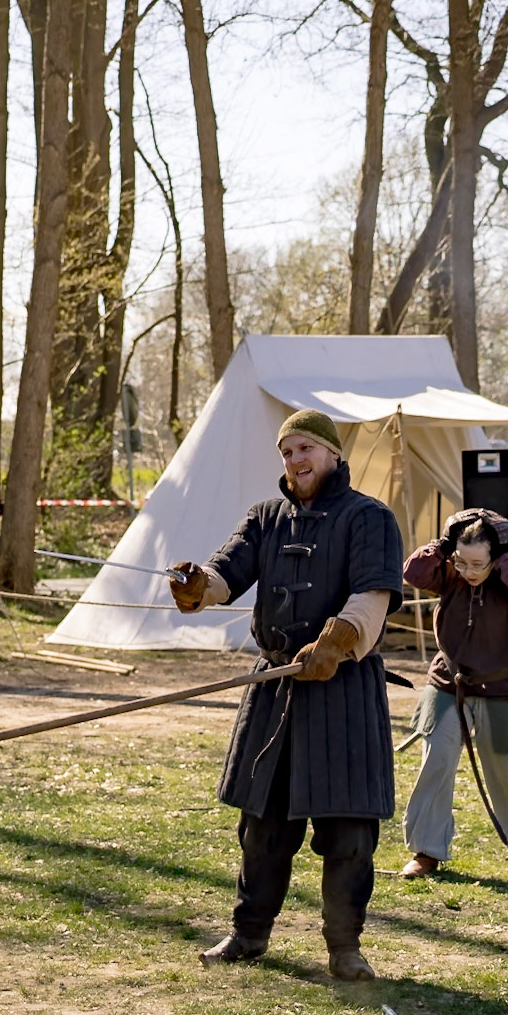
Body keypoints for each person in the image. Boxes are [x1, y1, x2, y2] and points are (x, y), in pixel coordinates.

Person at [170, 410, 404, 980]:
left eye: (305, 449)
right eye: (287, 452)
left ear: (331, 454)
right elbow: (227, 575)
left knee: (348, 832)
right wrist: (198, 585)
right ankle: (249, 935)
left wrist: (336, 641)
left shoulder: (369, 518)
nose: (296, 461)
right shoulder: (265, 518)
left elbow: (374, 596)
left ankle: (345, 949)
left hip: (342, 689)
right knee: (262, 827)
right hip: (275, 688)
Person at [401, 508, 508, 877]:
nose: (468, 572)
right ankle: (426, 850)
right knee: (435, 761)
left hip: (504, 685)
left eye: (477, 564)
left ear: (497, 556)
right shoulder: (449, 574)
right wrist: (442, 548)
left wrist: (504, 561)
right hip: (449, 681)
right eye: (462, 562)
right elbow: (413, 573)